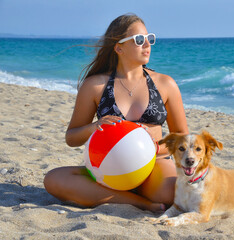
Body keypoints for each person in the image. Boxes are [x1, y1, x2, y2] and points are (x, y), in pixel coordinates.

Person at [43, 14, 188, 212]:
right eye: (139, 40)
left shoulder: (165, 84)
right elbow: (72, 137)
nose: (147, 45)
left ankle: (126, 196)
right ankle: (140, 202)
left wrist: (153, 148)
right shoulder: (95, 86)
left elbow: (183, 137)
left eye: (149, 38)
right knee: (53, 179)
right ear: (119, 47)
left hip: (154, 167)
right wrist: (95, 127)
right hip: (107, 170)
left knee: (171, 192)